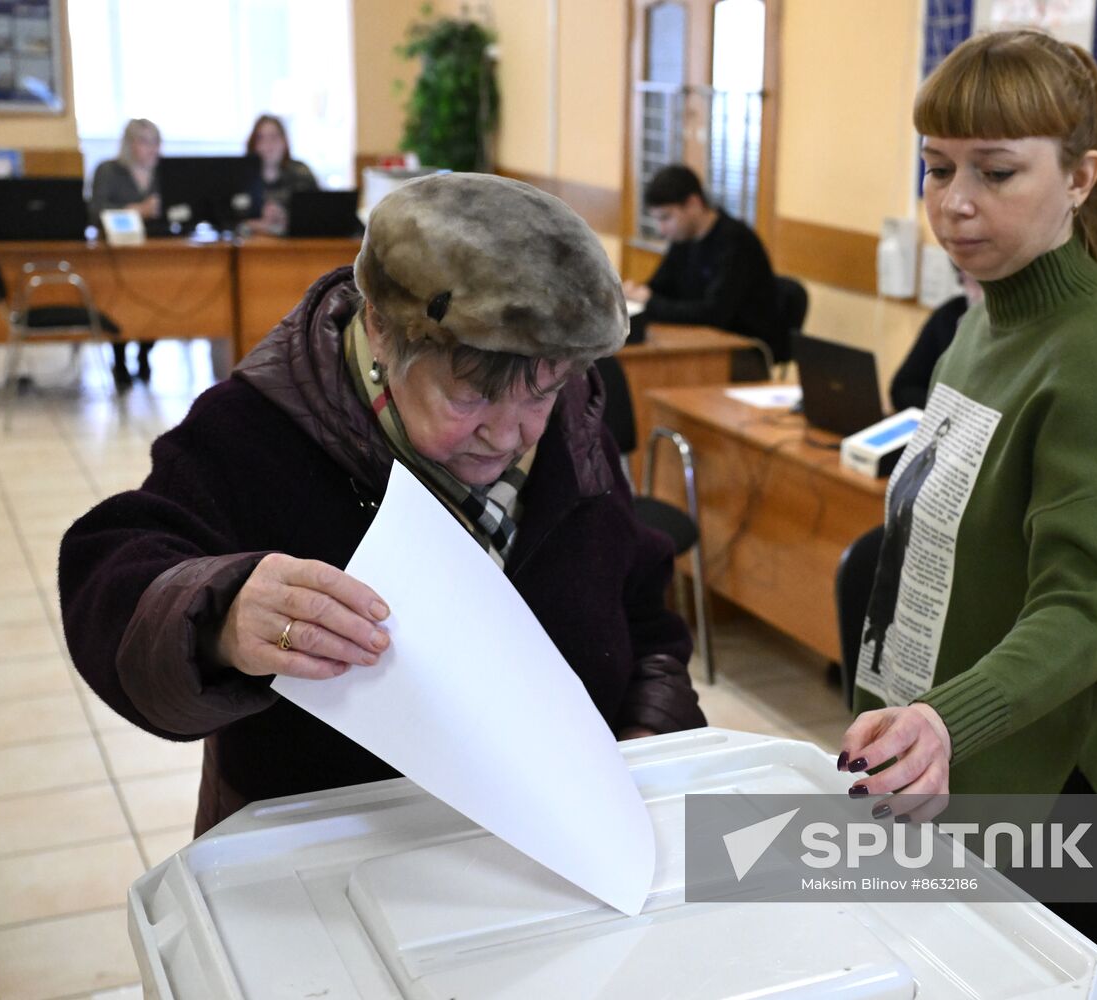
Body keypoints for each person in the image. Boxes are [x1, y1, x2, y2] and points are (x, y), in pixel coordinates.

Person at [59, 173, 706, 835]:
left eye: (540, 393)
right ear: (383, 331)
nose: (512, 435)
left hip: (556, 844)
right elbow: (111, 578)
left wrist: (649, 736)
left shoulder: (572, 419)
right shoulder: (252, 429)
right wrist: (219, 615)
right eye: (470, 397)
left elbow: (643, 613)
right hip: (327, 862)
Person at [837, 29, 1097, 960]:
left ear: (1081, 177)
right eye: (937, 169)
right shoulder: (985, 322)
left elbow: (1086, 610)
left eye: (997, 173)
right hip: (973, 766)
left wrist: (942, 720)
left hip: (1067, 796)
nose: (955, 204)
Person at [622, 165, 786, 362]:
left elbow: (714, 314)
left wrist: (649, 301)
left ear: (693, 204)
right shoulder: (683, 239)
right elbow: (661, 287)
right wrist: (636, 293)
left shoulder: (736, 242)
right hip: (701, 342)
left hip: (744, 350)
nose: (662, 229)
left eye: (666, 218)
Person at [89, 118, 161, 390]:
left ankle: (145, 352)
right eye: (144, 141)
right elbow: (96, 212)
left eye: (155, 142)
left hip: (156, 254)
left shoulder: (163, 173)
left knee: (160, 296)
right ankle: (119, 359)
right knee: (119, 302)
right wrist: (138, 209)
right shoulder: (108, 171)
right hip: (117, 254)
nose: (151, 149)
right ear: (129, 144)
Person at [887, 270, 982, 412]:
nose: (974, 292)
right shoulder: (950, 313)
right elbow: (903, 389)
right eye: (967, 279)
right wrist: (944, 413)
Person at [245, 114, 318, 236]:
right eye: (261, 138)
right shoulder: (241, 178)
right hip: (253, 246)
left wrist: (285, 218)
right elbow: (228, 222)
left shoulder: (301, 173)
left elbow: (317, 214)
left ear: (284, 142)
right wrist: (257, 222)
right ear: (253, 144)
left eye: (274, 138)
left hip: (295, 247)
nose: (268, 145)